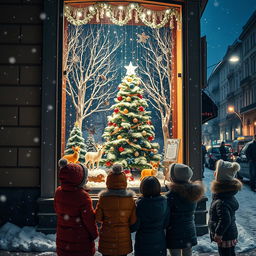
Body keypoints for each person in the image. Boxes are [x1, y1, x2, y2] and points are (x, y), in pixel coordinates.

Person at [54, 159, 98, 256]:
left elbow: (57, 210)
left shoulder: (59, 191)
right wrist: (94, 234)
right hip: (80, 241)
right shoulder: (83, 196)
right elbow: (89, 220)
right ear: (80, 180)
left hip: (63, 238)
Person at [95, 164, 136, 256]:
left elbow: (98, 218)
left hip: (107, 238)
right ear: (124, 181)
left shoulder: (103, 199)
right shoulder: (130, 199)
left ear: (108, 181)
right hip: (123, 239)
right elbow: (133, 220)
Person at [165, 163, 205, 256]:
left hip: (174, 232)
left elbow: (166, 216)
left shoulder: (170, 196)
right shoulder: (193, 193)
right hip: (189, 230)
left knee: (175, 253)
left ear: (173, 178)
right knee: (188, 252)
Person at [208, 160, 242, 256]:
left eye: (216, 171)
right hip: (229, 233)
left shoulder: (222, 200)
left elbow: (225, 220)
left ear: (219, 176)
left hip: (225, 235)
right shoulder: (225, 194)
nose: (214, 173)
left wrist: (218, 234)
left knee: (225, 254)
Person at [133, 176, 169, 256]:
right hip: (159, 241)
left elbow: (135, 225)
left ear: (142, 188)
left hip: (143, 242)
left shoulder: (140, 205)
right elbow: (166, 223)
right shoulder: (164, 202)